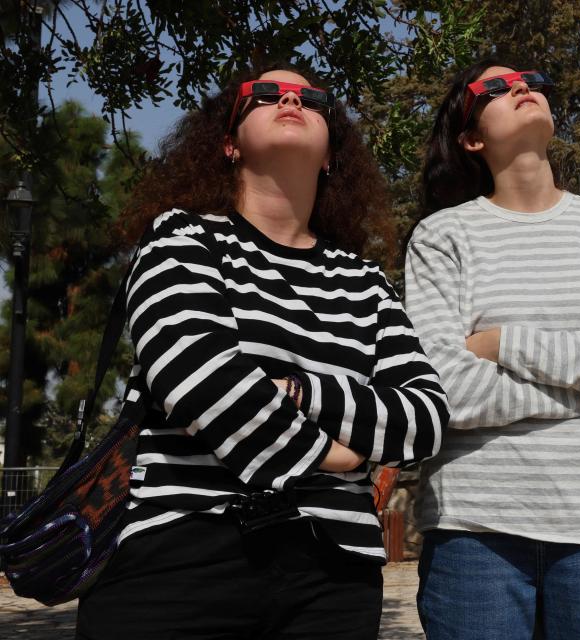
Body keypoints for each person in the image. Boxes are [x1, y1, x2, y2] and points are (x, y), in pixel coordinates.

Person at [75, 65, 449, 639]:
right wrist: (339, 455)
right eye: (266, 94)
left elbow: (424, 418)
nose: (290, 99)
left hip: (335, 572)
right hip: (180, 553)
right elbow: (198, 380)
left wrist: (297, 391)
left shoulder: (366, 281)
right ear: (227, 142)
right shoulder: (183, 239)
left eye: (311, 98)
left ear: (330, 156)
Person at [403, 60, 580, 640]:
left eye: (529, 79)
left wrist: (504, 343)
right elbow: (445, 391)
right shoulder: (441, 237)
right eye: (494, 88)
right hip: (474, 527)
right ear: (471, 138)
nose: (521, 86)